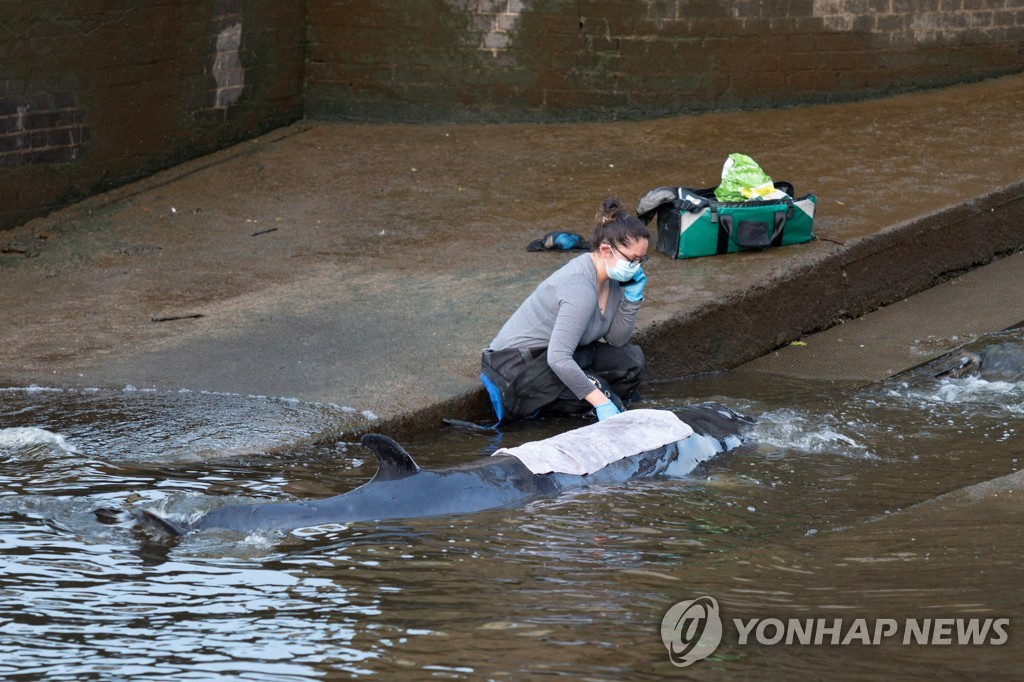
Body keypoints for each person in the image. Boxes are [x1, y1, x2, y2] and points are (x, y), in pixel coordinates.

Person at [480, 197, 650, 423]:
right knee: (607, 398)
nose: (636, 267)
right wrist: (601, 400)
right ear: (606, 250)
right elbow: (559, 358)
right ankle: (554, 413)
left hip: (556, 356)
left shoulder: (613, 279)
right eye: (633, 259)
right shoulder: (579, 287)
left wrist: (632, 297)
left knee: (632, 361)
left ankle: (580, 401)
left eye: (642, 260)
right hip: (518, 369)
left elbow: (616, 340)